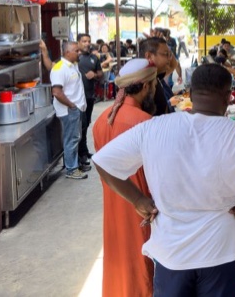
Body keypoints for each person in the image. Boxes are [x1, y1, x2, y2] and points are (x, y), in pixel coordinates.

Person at [92, 64, 235, 296]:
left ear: (189, 93)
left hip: (172, 255)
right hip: (220, 253)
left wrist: (137, 199)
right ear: (229, 96)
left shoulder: (154, 128)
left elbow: (102, 161)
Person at [92, 59, 157, 297]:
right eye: (153, 83)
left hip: (114, 205)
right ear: (144, 87)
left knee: (118, 265)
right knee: (142, 269)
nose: (155, 88)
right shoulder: (144, 123)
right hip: (142, 208)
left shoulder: (102, 120)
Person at [50, 41, 90, 180]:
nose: (79, 53)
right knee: (71, 139)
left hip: (76, 108)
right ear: (67, 53)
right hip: (69, 110)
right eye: (76, 51)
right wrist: (71, 105)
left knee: (76, 137)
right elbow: (56, 92)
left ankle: (76, 163)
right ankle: (71, 169)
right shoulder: (59, 68)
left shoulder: (72, 65)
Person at [78, 34, 104, 164]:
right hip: (77, 99)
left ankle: (84, 150)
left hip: (89, 96)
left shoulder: (94, 58)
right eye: (84, 41)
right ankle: (80, 154)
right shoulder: (74, 58)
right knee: (80, 126)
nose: (87, 43)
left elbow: (101, 73)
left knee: (86, 123)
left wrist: (94, 74)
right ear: (78, 43)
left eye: (88, 41)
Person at [140, 37, 176, 115]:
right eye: (166, 54)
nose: (169, 58)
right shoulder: (143, 84)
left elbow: (173, 65)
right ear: (149, 56)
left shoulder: (157, 75)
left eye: (170, 55)